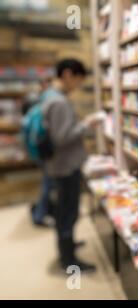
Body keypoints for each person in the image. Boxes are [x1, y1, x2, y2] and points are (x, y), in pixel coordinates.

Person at [43, 59, 102, 272]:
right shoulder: (58, 101)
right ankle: (68, 259)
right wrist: (86, 125)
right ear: (68, 74)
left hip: (60, 164)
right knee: (68, 211)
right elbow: (62, 137)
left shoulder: (52, 96)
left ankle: (67, 247)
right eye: (78, 79)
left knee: (65, 209)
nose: (78, 85)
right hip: (65, 166)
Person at [23, 77, 56, 227]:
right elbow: (38, 135)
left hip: (37, 153)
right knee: (48, 184)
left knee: (48, 183)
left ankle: (44, 211)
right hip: (43, 154)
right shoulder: (39, 108)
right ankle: (40, 215)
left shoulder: (34, 107)